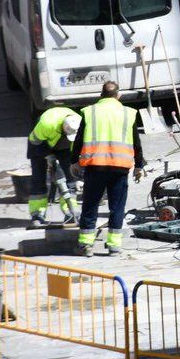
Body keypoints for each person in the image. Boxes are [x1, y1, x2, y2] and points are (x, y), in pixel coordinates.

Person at [73, 81, 145, 256]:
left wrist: (73, 161)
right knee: (117, 207)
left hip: (95, 166)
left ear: (101, 96)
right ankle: (114, 246)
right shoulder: (128, 113)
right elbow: (136, 142)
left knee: (90, 205)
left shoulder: (90, 111)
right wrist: (139, 165)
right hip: (119, 168)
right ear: (118, 95)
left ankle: (86, 245)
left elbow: (79, 139)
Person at [26, 106, 81, 228]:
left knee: (70, 177)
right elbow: (35, 141)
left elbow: (77, 147)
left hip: (65, 147)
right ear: (63, 128)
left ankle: (70, 211)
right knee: (39, 178)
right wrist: (48, 156)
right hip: (39, 143)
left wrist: (77, 168)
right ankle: (37, 214)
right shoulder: (47, 124)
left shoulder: (79, 123)